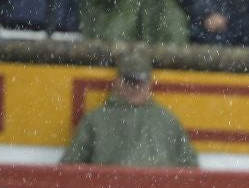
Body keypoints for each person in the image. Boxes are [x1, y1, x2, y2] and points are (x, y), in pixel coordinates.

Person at [61, 54, 197, 167]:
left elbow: (190, 170)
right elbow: (70, 169)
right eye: (129, 81)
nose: (135, 87)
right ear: (117, 81)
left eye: (140, 82)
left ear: (150, 83)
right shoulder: (94, 121)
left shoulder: (168, 122)